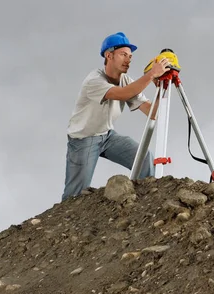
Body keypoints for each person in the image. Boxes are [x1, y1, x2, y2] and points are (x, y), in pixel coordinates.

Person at [61, 32, 171, 201]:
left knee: (144, 158)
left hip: (107, 135)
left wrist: (160, 87)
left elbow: (153, 113)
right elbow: (122, 93)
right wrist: (150, 75)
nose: (128, 59)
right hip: (83, 140)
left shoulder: (126, 80)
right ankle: (64, 223)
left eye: (130, 56)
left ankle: (147, 203)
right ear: (109, 55)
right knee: (74, 196)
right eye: (123, 54)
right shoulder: (94, 80)